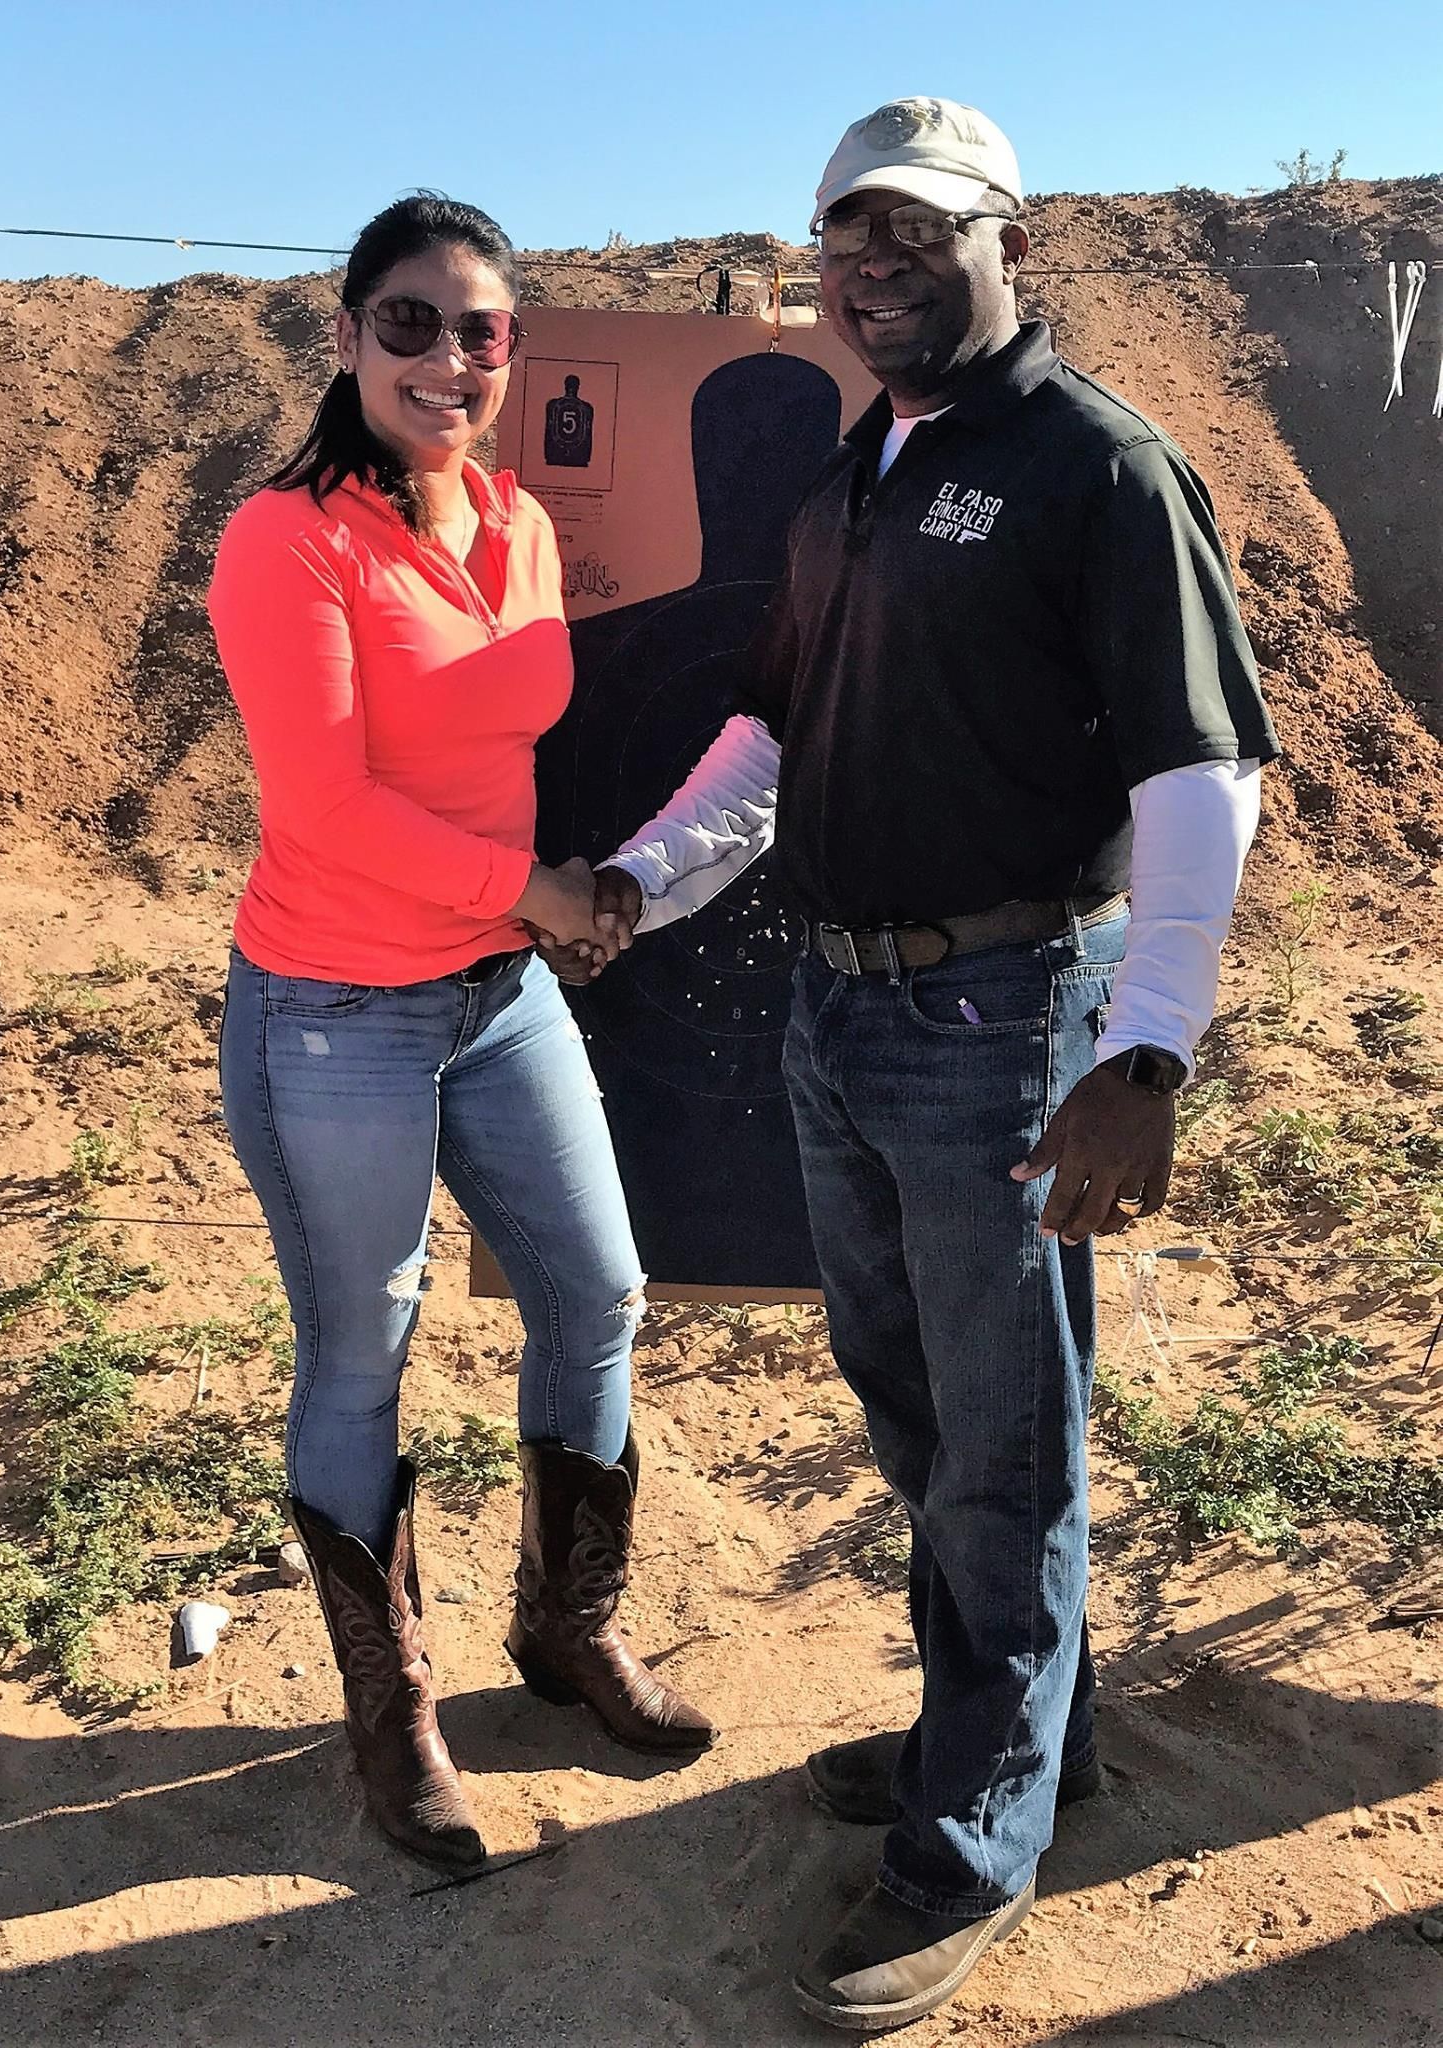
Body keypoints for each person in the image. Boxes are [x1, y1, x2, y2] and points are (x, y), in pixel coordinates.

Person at [541, 99, 1277, 2026]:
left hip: (1008, 1016)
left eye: (914, 233)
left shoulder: (1094, 466)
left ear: (1000, 239)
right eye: (844, 235)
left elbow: (1199, 783)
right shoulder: (862, 462)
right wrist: (638, 877)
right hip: (843, 1011)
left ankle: (973, 1842)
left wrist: (1145, 1056)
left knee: (1001, 1438)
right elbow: (772, 747)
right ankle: (1021, 1731)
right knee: (917, 1404)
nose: (872, 266)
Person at [208, 192, 713, 1876]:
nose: (447, 356)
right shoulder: (285, 541)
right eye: (409, 322)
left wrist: (588, 888)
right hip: (337, 1011)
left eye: (479, 330)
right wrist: (542, 896)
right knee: (363, 1356)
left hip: (495, 996)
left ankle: (561, 1634)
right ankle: (394, 1717)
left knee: (596, 1292)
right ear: (345, 334)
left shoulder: (513, 520)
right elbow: (329, 810)